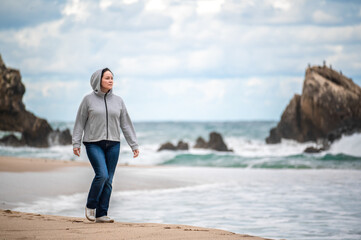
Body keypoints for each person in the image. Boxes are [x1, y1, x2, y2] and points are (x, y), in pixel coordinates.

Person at [72, 68, 139, 223]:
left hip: (114, 144)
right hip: (93, 143)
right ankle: (91, 206)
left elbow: (126, 125)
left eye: (112, 78)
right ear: (98, 80)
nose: (110, 81)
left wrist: (133, 145)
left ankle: (102, 214)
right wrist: (76, 142)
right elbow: (80, 122)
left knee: (109, 180)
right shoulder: (88, 100)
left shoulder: (119, 101)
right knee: (102, 175)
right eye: (107, 78)